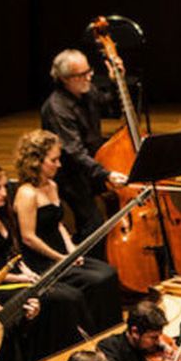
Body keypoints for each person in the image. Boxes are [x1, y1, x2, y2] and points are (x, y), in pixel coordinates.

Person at [0, 161, 90, 359]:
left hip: (14, 278)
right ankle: (53, 355)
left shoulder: (1, 215)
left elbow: (12, 255)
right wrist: (17, 278)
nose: (4, 193)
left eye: (5, 187)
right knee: (62, 299)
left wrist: (26, 271)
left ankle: (78, 350)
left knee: (73, 293)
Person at [11, 130, 122, 332]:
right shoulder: (26, 193)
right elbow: (28, 238)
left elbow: (58, 223)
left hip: (62, 255)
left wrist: (72, 249)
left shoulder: (52, 185)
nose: (59, 165)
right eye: (53, 160)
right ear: (36, 161)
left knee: (109, 272)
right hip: (42, 261)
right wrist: (61, 258)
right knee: (96, 280)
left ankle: (111, 329)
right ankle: (93, 331)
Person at [39, 48, 130, 256]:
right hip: (69, 173)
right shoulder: (57, 108)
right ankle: (80, 261)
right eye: (82, 74)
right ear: (64, 79)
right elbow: (74, 152)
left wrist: (117, 81)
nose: (89, 77)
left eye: (89, 71)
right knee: (93, 224)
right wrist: (106, 174)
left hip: (91, 165)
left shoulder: (87, 92)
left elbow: (113, 110)